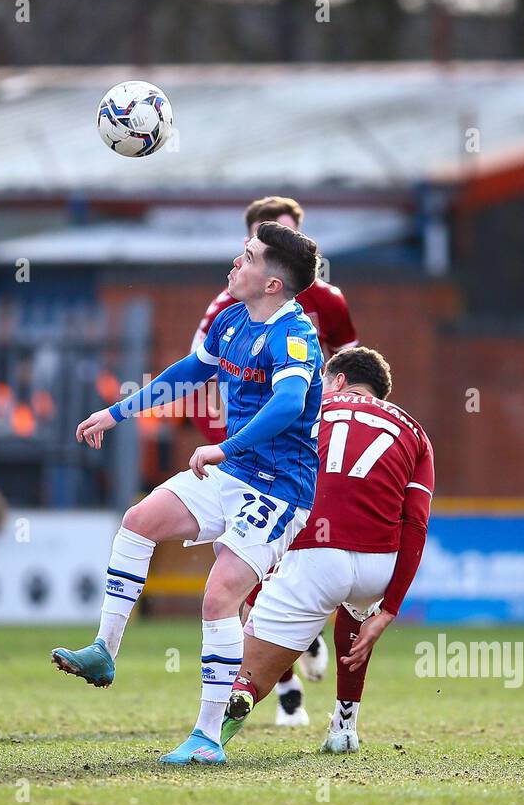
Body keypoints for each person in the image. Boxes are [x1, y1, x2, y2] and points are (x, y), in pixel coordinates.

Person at [51, 222, 323, 765]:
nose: (235, 263)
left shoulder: (295, 336)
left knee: (218, 598)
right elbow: (187, 373)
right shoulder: (229, 317)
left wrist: (227, 446)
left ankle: (206, 736)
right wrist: (116, 411)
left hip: (279, 491)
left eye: (246, 257)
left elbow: (290, 404)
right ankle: (104, 650)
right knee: (138, 522)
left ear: (272, 283)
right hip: (232, 471)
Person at [189, 196, 361, 725]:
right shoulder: (227, 307)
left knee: (306, 551)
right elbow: (198, 371)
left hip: (307, 443)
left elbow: (352, 366)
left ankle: (304, 633)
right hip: (244, 446)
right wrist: (220, 438)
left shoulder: (325, 303)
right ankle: (282, 689)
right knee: (248, 569)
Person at [220, 346, 434, 754]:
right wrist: (389, 608)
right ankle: (344, 727)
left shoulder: (302, 407)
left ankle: (213, 730)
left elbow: (264, 486)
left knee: (246, 678)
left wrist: (254, 588)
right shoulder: (414, 431)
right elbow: (416, 525)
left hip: (313, 557)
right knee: (356, 611)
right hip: (378, 563)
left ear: (335, 381)